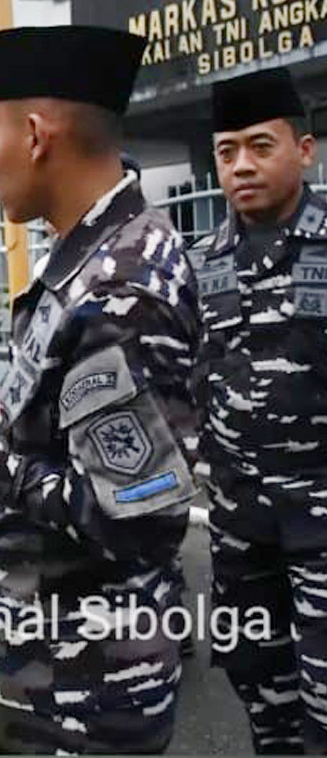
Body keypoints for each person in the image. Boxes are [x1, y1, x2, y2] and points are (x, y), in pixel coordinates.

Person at [0, 26, 200, 754]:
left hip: (85, 683)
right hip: (53, 665)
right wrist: (13, 406)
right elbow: (90, 420)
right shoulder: (93, 253)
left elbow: (134, 517)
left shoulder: (119, 281)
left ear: (35, 133)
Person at [192, 66, 327, 754]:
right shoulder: (201, 263)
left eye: (259, 145)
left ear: (303, 150)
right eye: (225, 151)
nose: (240, 165)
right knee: (261, 695)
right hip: (240, 536)